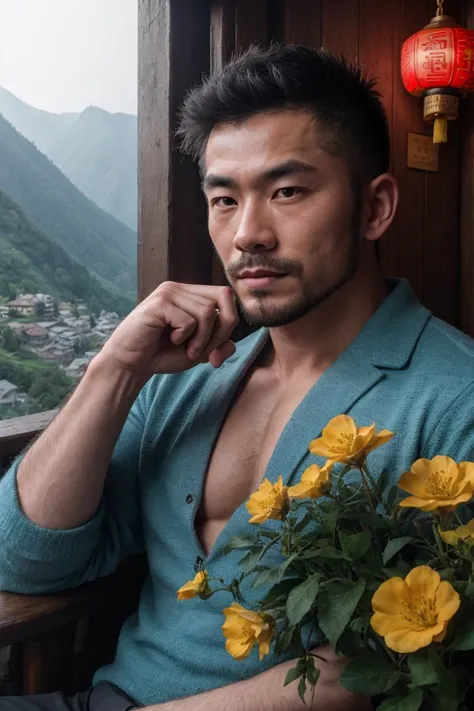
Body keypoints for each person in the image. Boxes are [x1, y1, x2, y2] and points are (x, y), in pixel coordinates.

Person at [0, 43, 473, 711]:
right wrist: (115, 367)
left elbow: (391, 665)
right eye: (224, 199)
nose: (248, 233)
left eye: (287, 191)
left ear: (375, 208)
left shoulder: (455, 398)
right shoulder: (185, 379)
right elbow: (24, 560)